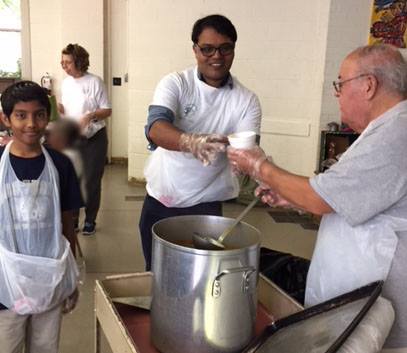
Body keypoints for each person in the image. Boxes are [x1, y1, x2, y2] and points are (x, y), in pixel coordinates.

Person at [227, 44, 407, 351]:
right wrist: (291, 199)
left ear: (368, 85)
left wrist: (258, 165)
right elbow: (340, 195)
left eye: (340, 83)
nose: (336, 93)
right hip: (357, 299)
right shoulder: (384, 129)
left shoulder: (397, 132)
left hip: (374, 308)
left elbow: (320, 198)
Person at [140, 14, 262, 270]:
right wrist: (190, 141)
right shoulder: (176, 83)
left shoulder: (246, 100)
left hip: (206, 205)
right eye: (207, 49)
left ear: (233, 49)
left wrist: (256, 168)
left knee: (202, 279)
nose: (216, 56)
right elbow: (156, 128)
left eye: (225, 48)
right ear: (195, 50)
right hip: (162, 199)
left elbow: (248, 147)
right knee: (158, 276)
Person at [0, 81, 83, 353]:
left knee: (45, 346)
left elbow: (67, 222)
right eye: (20, 115)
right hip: (6, 282)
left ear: (48, 117)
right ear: (6, 118)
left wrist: (71, 275)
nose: (31, 124)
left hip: (49, 276)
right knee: (7, 344)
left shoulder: (60, 165)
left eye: (39, 114)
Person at [59, 43, 112, 235]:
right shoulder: (65, 83)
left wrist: (90, 116)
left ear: (79, 62)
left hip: (93, 138)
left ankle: (90, 219)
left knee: (90, 180)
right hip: (72, 137)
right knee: (72, 179)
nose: (64, 66)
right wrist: (58, 108)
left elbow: (107, 110)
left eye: (68, 62)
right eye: (62, 62)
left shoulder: (94, 82)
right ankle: (72, 218)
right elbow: (67, 109)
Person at [45, 118, 86, 230]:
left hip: (64, 204)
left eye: (52, 136)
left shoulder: (67, 158)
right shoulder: (68, 154)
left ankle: (74, 224)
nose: (49, 139)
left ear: (63, 139)